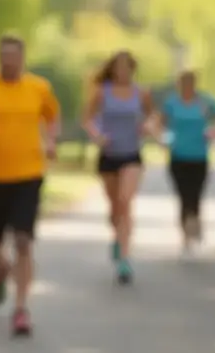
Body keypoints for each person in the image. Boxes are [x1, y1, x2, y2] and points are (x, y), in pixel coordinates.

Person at [0, 35, 61, 338]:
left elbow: (52, 117)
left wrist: (52, 140)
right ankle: (1, 266)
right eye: (4, 55)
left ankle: (21, 309)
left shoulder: (39, 88)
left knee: (23, 240)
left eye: (14, 56)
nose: (9, 61)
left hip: (29, 174)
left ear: (22, 58)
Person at [82, 50, 155, 285]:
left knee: (125, 201)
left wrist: (148, 127)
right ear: (112, 69)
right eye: (119, 67)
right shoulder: (102, 93)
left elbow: (152, 117)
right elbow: (87, 119)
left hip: (132, 154)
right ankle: (117, 236)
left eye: (127, 67)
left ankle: (125, 258)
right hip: (108, 155)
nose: (123, 72)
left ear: (132, 70)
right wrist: (97, 135)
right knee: (115, 207)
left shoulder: (141, 93)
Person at [160, 70, 215, 255]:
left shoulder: (205, 102)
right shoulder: (171, 103)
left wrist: (213, 131)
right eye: (183, 83)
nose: (187, 86)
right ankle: (185, 235)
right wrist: (163, 138)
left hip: (199, 155)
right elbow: (161, 122)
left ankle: (194, 223)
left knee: (195, 195)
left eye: (190, 83)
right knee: (182, 195)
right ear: (179, 85)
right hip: (178, 155)